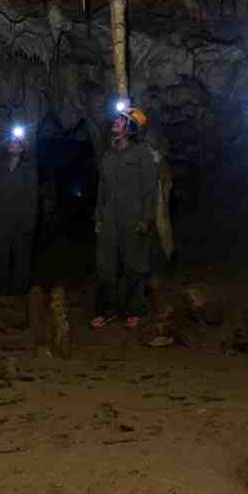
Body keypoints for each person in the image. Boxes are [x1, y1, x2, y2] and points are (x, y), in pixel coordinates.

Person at [92, 105, 158, 328]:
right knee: (105, 266)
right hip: (109, 219)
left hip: (133, 219)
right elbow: (101, 189)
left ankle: (134, 310)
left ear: (130, 127)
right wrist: (98, 217)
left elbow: (150, 190)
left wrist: (146, 219)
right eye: (118, 118)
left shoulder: (142, 155)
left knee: (135, 265)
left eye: (121, 119)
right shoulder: (108, 155)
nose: (116, 121)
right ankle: (106, 310)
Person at [0, 128, 38, 294]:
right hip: (2, 222)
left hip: (21, 223)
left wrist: (29, 222)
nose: (13, 145)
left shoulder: (29, 169)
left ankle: (19, 294)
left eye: (17, 143)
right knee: (1, 259)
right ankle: (3, 293)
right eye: (11, 141)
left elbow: (32, 197)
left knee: (21, 260)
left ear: (22, 148)